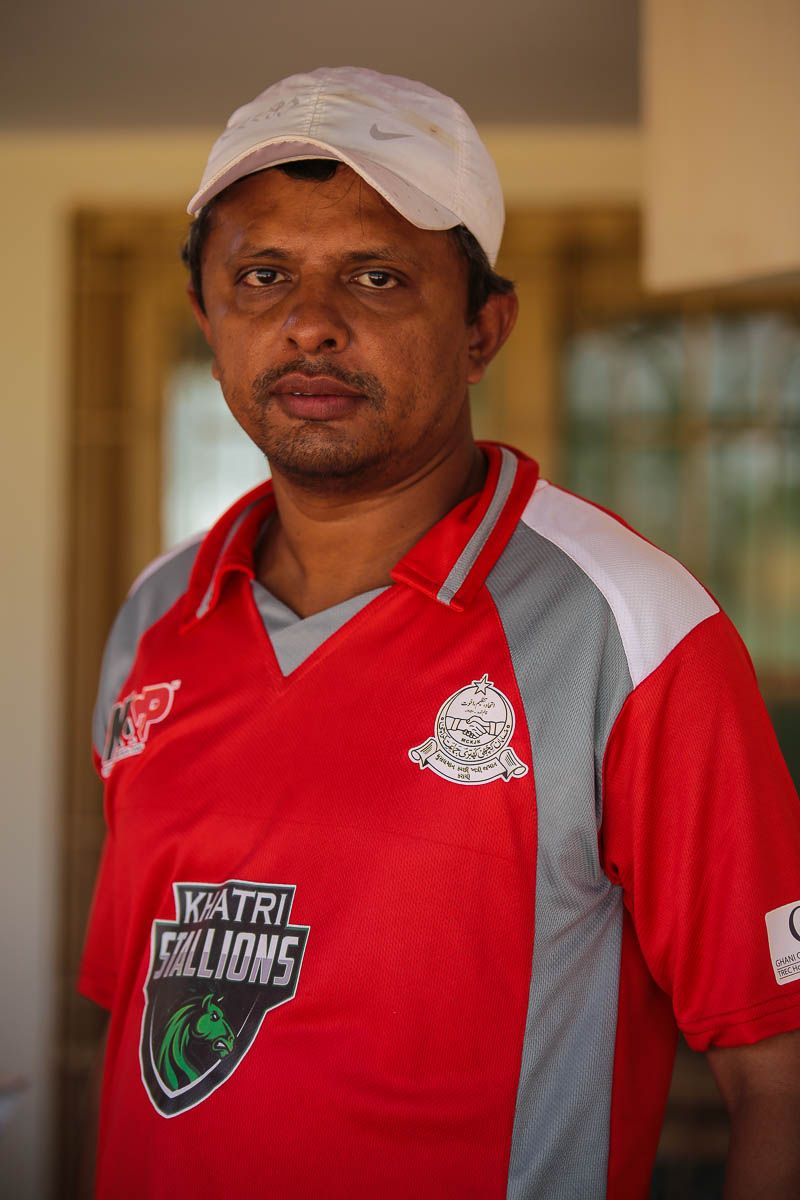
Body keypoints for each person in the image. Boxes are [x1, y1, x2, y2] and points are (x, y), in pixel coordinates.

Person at [78, 66, 800, 1199]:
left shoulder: (628, 625)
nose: (310, 322)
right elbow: (140, 1013)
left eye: (376, 276)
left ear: (481, 329)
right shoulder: (155, 613)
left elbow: (779, 1073)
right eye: (262, 276)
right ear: (208, 321)